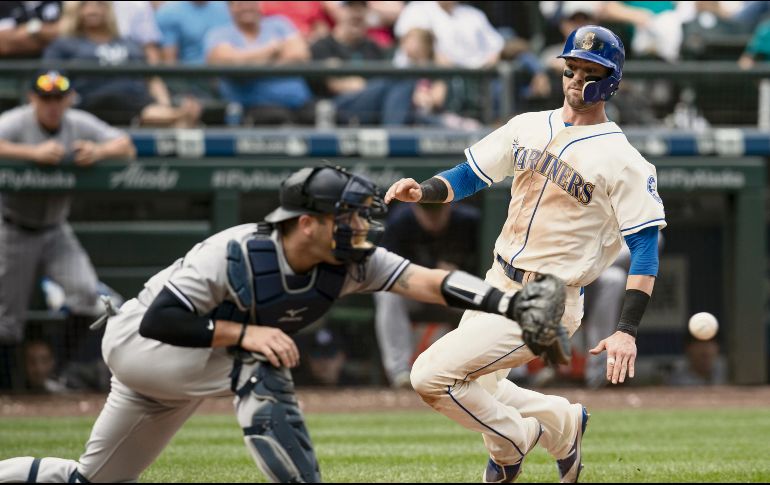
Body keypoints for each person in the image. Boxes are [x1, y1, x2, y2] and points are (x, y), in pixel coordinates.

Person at [0, 164, 566, 483]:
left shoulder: (352, 261)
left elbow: (429, 281)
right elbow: (160, 319)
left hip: (179, 375)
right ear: (305, 224)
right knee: (262, 363)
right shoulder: (235, 251)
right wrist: (244, 335)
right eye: (344, 216)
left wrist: (511, 306)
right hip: (141, 345)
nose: (359, 225)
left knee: (87, 483)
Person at [385, 25, 667, 482]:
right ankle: (561, 424)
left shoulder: (625, 160)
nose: (576, 80)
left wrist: (626, 331)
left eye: (589, 72)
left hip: (550, 300)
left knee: (430, 377)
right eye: (571, 69)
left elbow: (644, 252)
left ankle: (515, 441)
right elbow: (472, 173)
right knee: (476, 384)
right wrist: (425, 190)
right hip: (497, 281)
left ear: (611, 80)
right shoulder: (528, 124)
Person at [0, 70, 135, 389]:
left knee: (87, 293)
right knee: (6, 322)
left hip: (55, 229)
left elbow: (126, 145)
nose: (52, 105)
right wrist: (30, 154)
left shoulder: (77, 122)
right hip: (12, 226)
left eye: (58, 98)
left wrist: (99, 152)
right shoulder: (18, 122)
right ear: (32, 98)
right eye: (45, 98)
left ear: (69, 99)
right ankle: (9, 391)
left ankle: (59, 373)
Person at [43, 1, 201, 127]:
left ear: (109, 10)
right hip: (88, 105)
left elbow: (151, 78)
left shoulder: (129, 43)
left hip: (138, 105)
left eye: (99, 4)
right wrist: (69, 98)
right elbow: (52, 77)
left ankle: (177, 115)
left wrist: (164, 103)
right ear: (76, 10)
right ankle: (178, 115)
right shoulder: (64, 44)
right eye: (86, 4)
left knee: (163, 114)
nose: (92, 9)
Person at [375, 202, 481, 388]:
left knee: (488, 295)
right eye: (427, 210)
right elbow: (384, 270)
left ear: (449, 206)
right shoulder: (401, 220)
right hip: (415, 291)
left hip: (454, 293)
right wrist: (432, 271)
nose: (432, 216)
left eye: (438, 210)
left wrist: (457, 275)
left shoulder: (468, 220)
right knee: (387, 293)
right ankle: (400, 372)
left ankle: (497, 373)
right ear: (415, 207)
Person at [205, 0, 315, 126]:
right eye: (240, 3)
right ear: (230, 8)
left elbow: (300, 54)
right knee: (275, 119)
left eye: (251, 2)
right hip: (253, 109)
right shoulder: (219, 33)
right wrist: (272, 50)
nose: (246, 7)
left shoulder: (279, 24)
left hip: (301, 105)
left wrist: (251, 64)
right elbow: (227, 62)